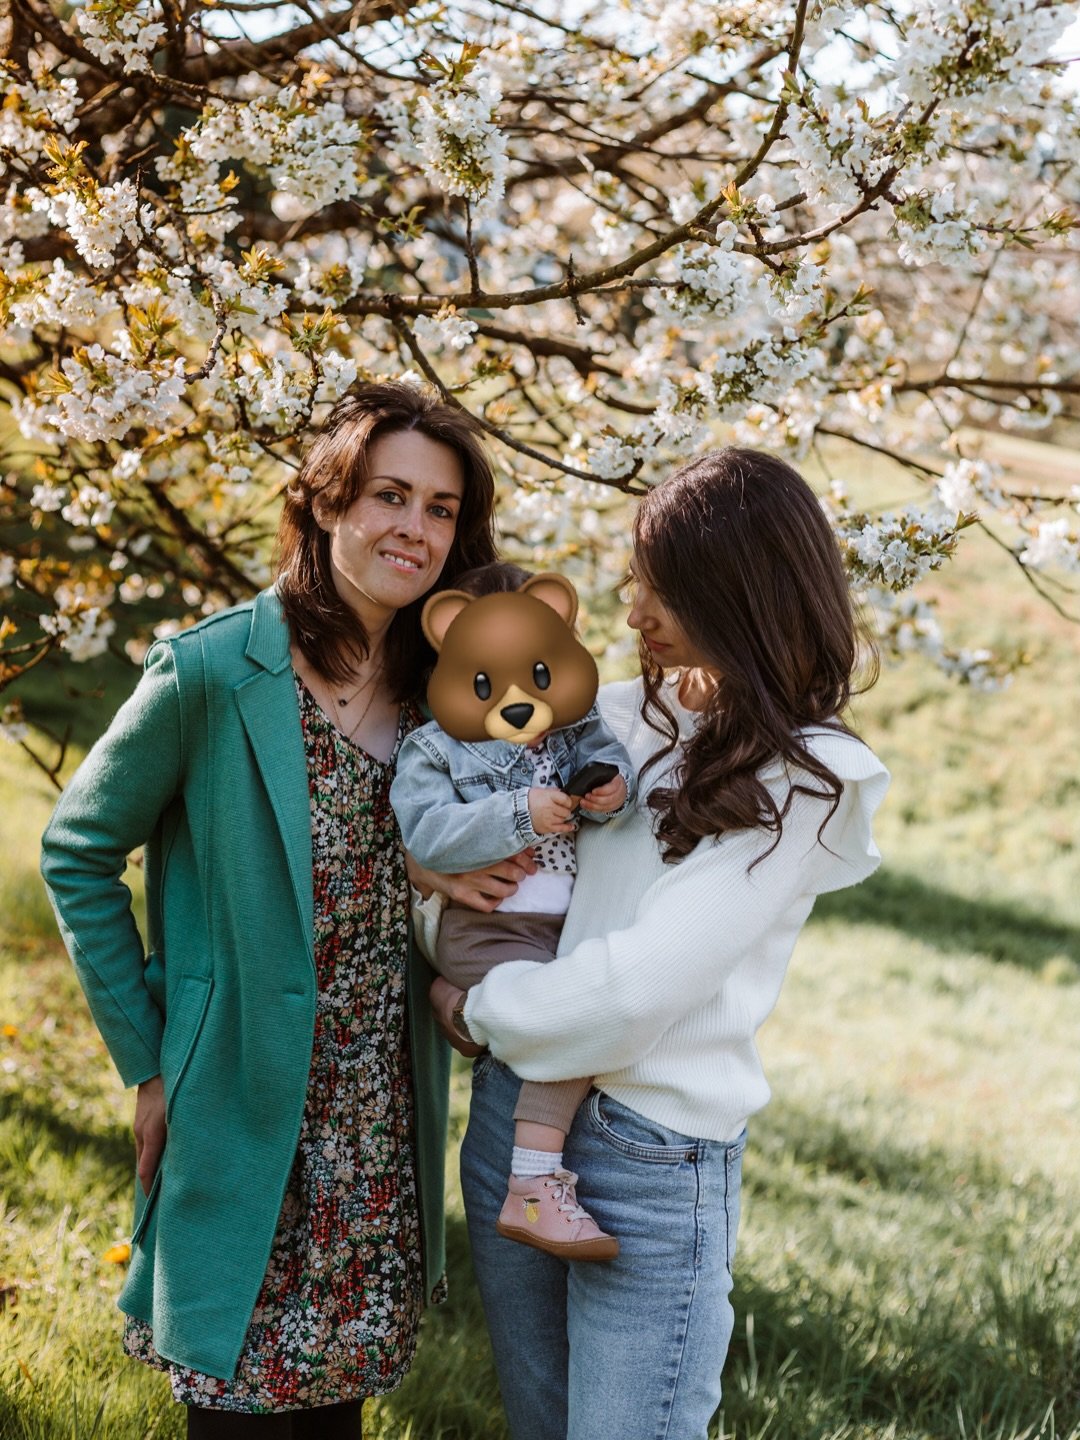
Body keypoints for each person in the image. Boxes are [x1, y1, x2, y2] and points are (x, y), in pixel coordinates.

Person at [39, 381, 504, 1437]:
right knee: (238, 1410)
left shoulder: (450, 689)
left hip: (375, 1122)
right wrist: (150, 1064)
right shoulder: (211, 671)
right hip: (238, 1112)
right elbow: (76, 851)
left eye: (441, 509)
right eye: (390, 494)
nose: (415, 528)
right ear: (328, 502)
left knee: (334, 1418)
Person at [425, 447, 892, 1440]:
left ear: (737, 596)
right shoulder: (619, 716)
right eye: (637, 579)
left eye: (661, 588)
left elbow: (630, 996)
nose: (633, 609)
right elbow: (460, 818)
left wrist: (480, 1007)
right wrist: (435, 896)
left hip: (647, 1152)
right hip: (518, 1119)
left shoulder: (810, 781)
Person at [391, 562, 635, 1262]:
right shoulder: (434, 747)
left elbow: (620, 791)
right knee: (572, 1019)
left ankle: (463, 1010)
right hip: (486, 926)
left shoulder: (575, 730)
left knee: (583, 1010)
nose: (519, 698)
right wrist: (515, 815)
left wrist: (610, 795)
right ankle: (531, 1188)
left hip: (560, 927)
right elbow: (427, 832)